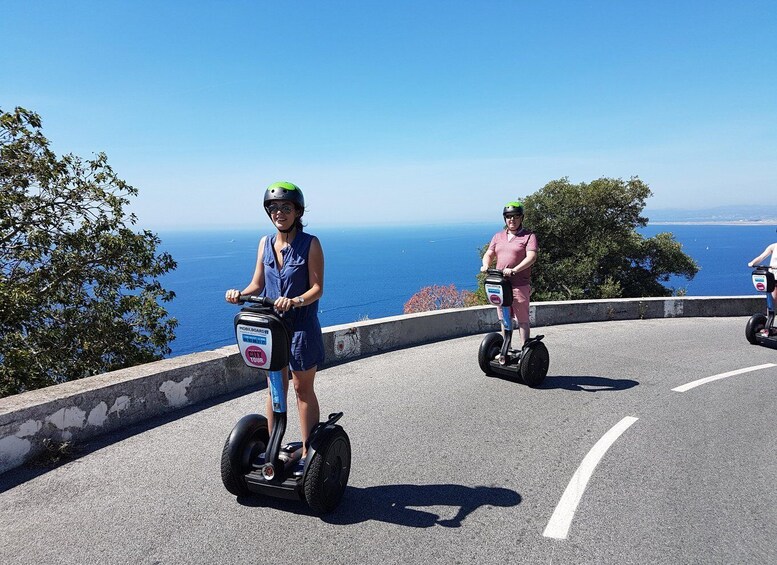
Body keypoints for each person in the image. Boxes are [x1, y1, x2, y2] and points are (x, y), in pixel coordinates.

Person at [225, 181, 325, 459]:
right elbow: (257, 284)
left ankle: (309, 453)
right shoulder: (264, 243)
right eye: (274, 208)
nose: (279, 212)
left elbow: (317, 288)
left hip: (302, 327)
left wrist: (295, 301)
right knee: (274, 388)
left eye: (285, 207)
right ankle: (274, 449)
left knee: (301, 389)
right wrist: (240, 294)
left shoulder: (310, 244)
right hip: (272, 326)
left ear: (297, 212)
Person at [480, 201, 538, 345]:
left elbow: (531, 257)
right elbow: (489, 253)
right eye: (508, 216)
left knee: (522, 320)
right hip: (501, 284)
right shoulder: (498, 237)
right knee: (504, 318)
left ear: (521, 218)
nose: (512, 219)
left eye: (515, 216)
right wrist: (485, 265)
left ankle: (526, 349)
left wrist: (514, 270)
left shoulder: (529, 236)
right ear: (505, 218)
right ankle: (507, 348)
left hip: (519, 284)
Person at [748, 234, 777, 305]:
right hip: (773, 277)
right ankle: (771, 315)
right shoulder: (773, 246)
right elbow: (762, 257)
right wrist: (752, 263)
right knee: (773, 299)